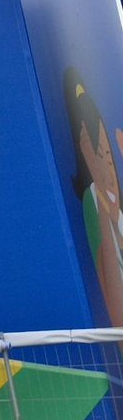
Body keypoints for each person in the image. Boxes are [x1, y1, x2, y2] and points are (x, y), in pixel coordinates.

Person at [64, 68, 123, 326]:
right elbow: (109, 274)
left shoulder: (114, 209)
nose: (109, 170)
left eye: (109, 158)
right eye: (99, 156)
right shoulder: (94, 203)